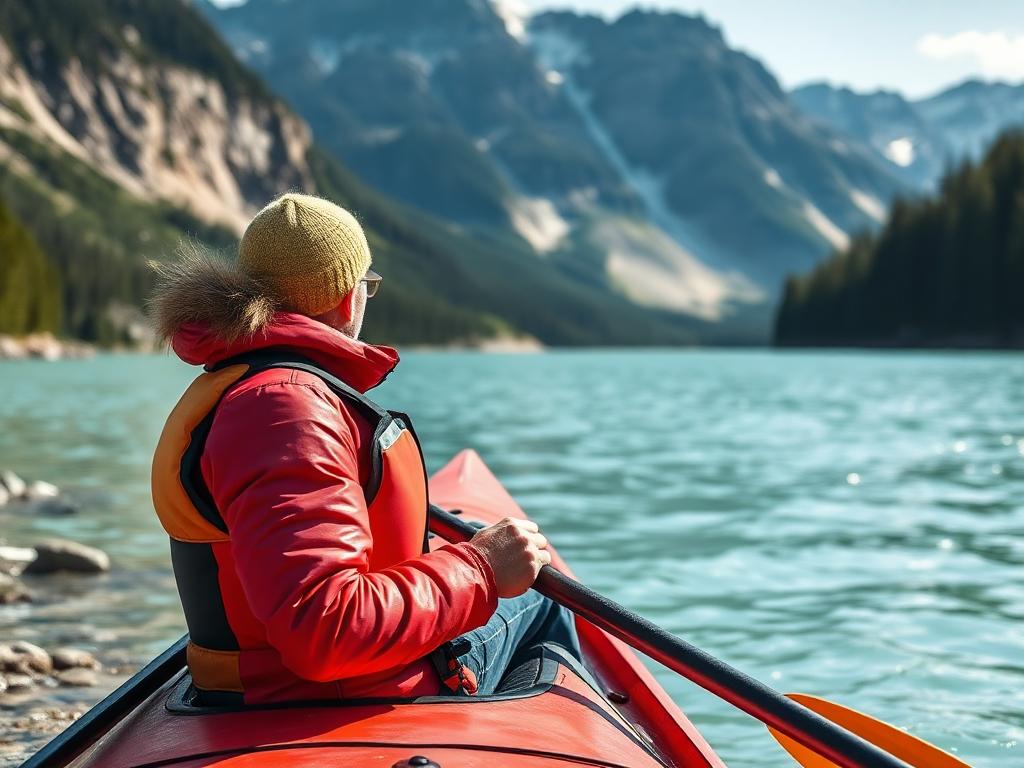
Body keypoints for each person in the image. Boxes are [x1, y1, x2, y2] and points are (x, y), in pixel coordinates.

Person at [149, 192, 580, 704]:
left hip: (287, 678)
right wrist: (483, 567)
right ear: (348, 297)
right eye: (366, 286)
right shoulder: (285, 408)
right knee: (542, 600)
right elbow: (325, 632)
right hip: (334, 692)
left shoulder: (250, 385)